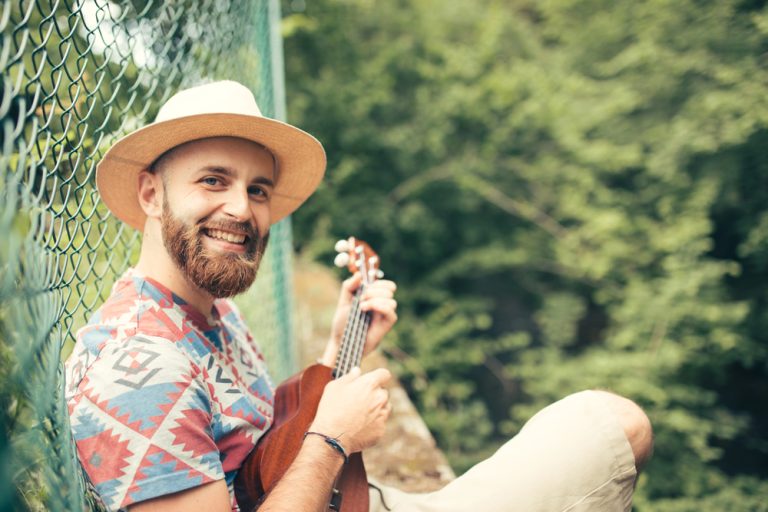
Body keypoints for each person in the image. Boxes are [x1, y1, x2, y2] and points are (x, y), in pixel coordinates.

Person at [65, 81, 653, 512]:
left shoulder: (211, 314)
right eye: (213, 180)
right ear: (150, 193)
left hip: (356, 501)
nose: (242, 210)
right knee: (618, 425)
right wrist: (332, 439)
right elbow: (306, 451)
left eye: (258, 189)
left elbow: (260, 464)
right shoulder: (135, 366)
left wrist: (339, 348)